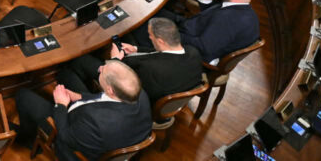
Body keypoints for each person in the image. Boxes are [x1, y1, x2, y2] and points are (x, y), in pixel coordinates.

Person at [12, 59, 151, 159]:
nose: (100, 68)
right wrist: (78, 97)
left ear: (110, 90)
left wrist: (61, 105)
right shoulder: (138, 93)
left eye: (102, 71)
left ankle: (27, 139)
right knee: (65, 75)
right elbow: (102, 98)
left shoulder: (94, 121)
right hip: (102, 127)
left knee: (23, 95)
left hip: (71, 140)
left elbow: (65, 136)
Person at [59, 18, 203, 105]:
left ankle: (86, 94)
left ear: (160, 41)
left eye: (150, 36)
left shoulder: (151, 70)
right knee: (128, 36)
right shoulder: (193, 52)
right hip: (170, 84)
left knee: (80, 59)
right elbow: (160, 53)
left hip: (134, 94)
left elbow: (126, 85)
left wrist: (115, 60)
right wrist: (136, 49)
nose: (149, 38)